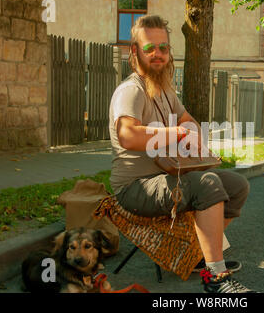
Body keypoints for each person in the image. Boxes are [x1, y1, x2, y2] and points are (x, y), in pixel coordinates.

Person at [108, 15, 254, 293]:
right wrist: (175, 135)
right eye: (149, 48)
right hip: (134, 188)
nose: (158, 54)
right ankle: (216, 277)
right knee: (208, 183)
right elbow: (127, 135)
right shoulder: (131, 90)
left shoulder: (163, 89)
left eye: (163, 47)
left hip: (166, 174)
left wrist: (192, 135)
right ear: (134, 51)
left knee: (237, 186)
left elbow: (187, 119)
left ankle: (196, 255)